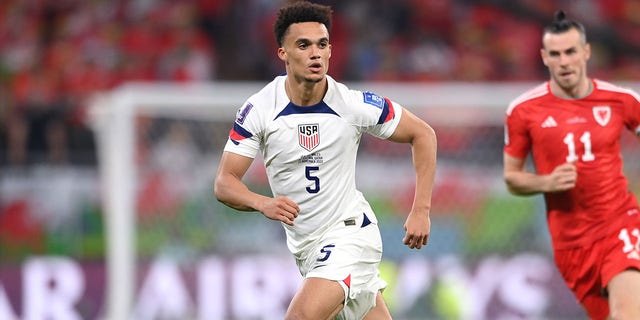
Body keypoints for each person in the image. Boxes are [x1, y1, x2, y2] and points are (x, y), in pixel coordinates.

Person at [214, 1, 437, 319]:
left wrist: (421, 210)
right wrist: (262, 203)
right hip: (308, 249)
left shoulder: (352, 104)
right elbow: (224, 183)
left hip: (349, 235)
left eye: (322, 45)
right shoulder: (259, 109)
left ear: (331, 50)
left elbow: (423, 135)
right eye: (303, 45)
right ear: (283, 53)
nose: (315, 53)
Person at [503, 10, 640, 320]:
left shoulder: (622, 101)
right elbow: (512, 178)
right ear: (544, 57)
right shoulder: (523, 111)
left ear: (586, 52)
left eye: (570, 52)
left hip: (619, 224)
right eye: (555, 54)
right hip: (571, 246)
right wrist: (546, 182)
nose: (564, 61)